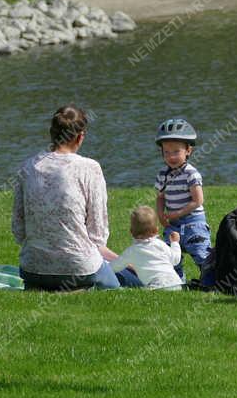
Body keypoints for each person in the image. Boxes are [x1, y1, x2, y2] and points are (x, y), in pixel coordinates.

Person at [12, 105, 142, 291]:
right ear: (81, 136)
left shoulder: (27, 167)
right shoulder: (89, 168)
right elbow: (97, 236)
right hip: (79, 270)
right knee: (134, 282)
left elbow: (18, 229)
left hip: (32, 270)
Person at [154, 118, 215, 288]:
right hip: (172, 225)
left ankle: (211, 283)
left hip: (193, 223)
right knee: (172, 258)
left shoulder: (191, 174)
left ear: (188, 150)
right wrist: (161, 215)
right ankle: (176, 284)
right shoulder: (163, 174)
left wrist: (177, 214)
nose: (171, 156)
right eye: (166, 152)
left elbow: (198, 201)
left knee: (202, 255)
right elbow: (160, 197)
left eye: (176, 151)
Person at [110, 206, 183, 290]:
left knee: (130, 289)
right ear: (156, 230)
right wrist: (175, 243)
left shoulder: (132, 251)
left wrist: (103, 268)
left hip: (156, 286)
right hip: (176, 283)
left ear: (131, 232)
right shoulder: (160, 244)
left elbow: (115, 266)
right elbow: (175, 259)